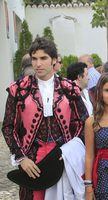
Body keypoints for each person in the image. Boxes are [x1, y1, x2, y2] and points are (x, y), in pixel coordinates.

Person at [1, 37, 88, 200]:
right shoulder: (18, 89)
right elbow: (8, 127)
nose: (38, 64)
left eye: (43, 58)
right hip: (32, 159)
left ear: (54, 60)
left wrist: (70, 151)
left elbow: (83, 123)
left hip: (61, 157)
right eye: (34, 59)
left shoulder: (69, 88)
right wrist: (21, 158)